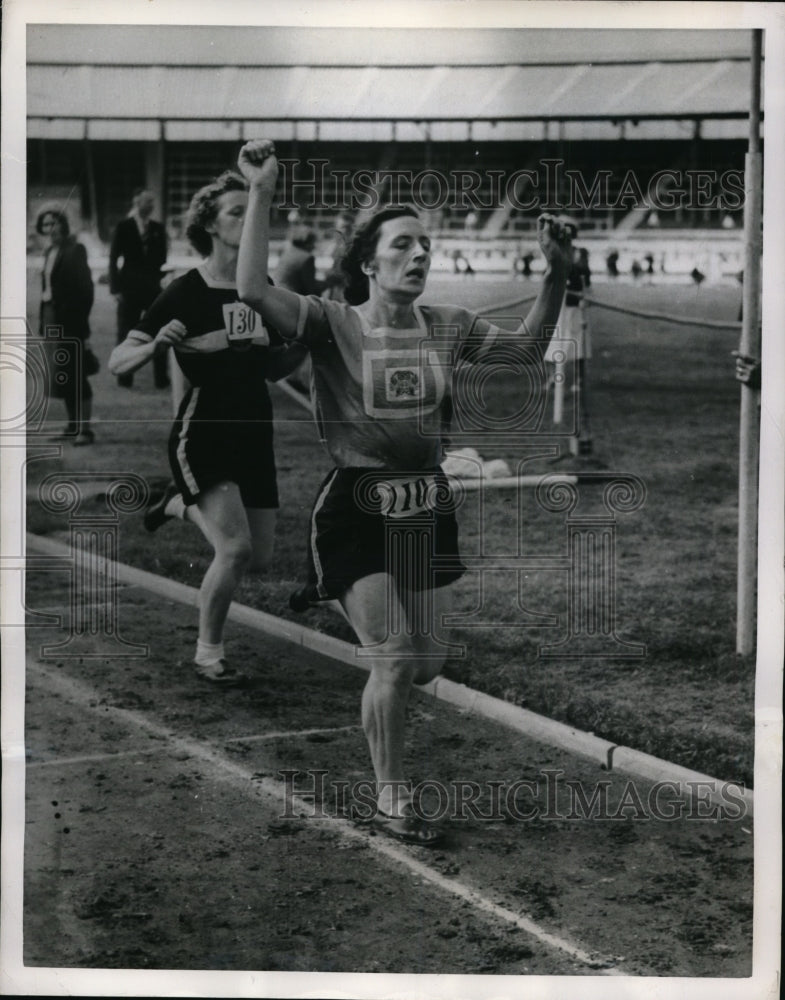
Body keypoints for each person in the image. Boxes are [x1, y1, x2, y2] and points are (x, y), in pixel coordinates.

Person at [236, 139, 572, 846]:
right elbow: (252, 292)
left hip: (425, 503)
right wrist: (262, 192)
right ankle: (394, 801)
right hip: (356, 502)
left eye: (425, 245)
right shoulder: (333, 321)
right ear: (368, 262)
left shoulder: (447, 325)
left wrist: (557, 275)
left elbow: (521, 354)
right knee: (390, 659)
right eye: (403, 245)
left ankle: (370, 646)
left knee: (424, 665)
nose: (419, 255)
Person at [109, 170, 306, 686]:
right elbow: (116, 361)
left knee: (259, 559)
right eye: (236, 212)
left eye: (252, 209)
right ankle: (208, 654)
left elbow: (269, 368)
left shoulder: (264, 292)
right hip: (204, 434)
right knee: (234, 549)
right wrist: (153, 346)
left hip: (255, 435)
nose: (248, 219)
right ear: (211, 227)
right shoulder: (185, 291)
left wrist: (307, 344)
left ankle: (177, 503)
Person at [36, 207, 96, 446]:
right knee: (63, 376)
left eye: (54, 223)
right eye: (46, 225)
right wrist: (44, 322)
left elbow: (86, 291)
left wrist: (81, 326)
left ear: (63, 224)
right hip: (52, 317)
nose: (51, 229)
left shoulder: (75, 250)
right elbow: (46, 290)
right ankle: (72, 427)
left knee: (78, 374)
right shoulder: (49, 251)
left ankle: (86, 430)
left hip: (71, 321)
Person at [109, 188, 169, 389]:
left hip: (153, 289)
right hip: (128, 289)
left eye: (152, 202)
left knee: (159, 331)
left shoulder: (158, 228)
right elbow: (113, 258)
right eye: (147, 202)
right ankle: (124, 378)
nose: (151, 206)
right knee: (126, 332)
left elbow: (162, 258)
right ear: (137, 204)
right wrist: (115, 288)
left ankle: (161, 379)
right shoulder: (124, 226)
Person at [275, 225, 326, 296]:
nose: (314, 247)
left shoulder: (287, 253)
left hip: (279, 295)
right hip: (292, 299)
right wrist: (328, 283)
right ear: (307, 243)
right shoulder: (307, 258)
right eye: (313, 243)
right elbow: (310, 290)